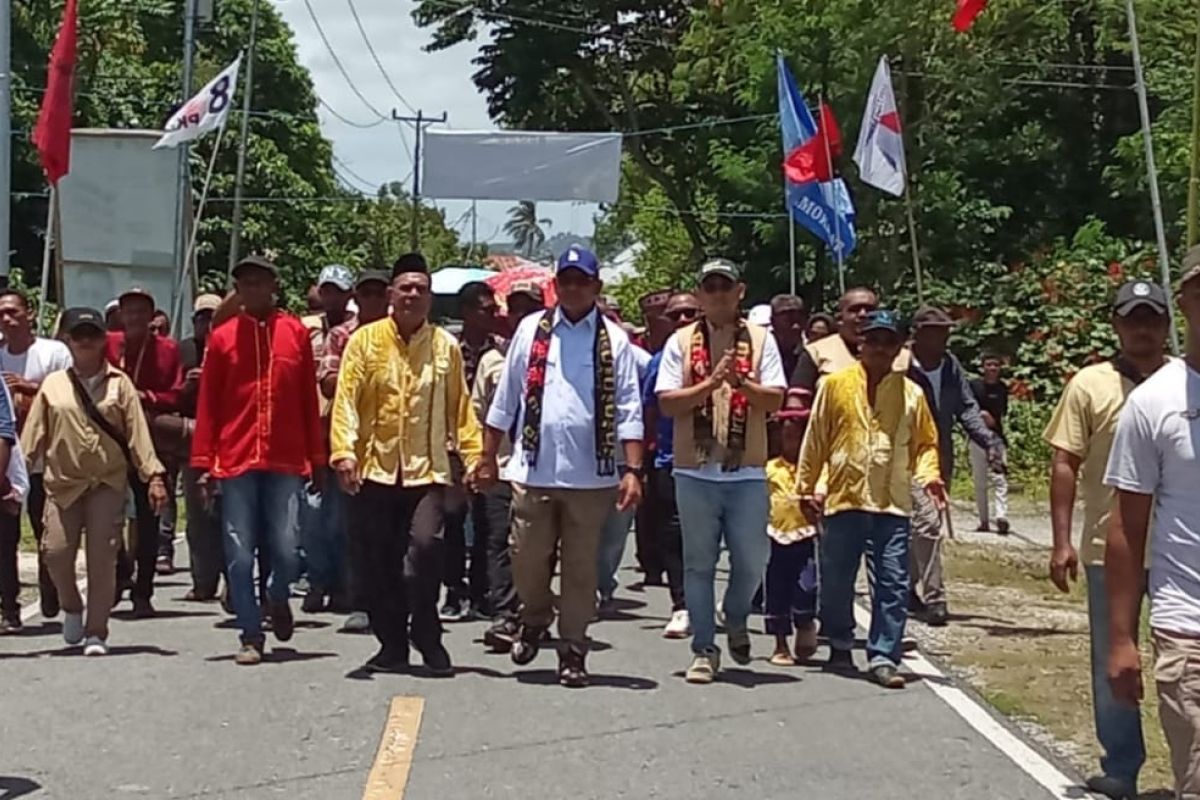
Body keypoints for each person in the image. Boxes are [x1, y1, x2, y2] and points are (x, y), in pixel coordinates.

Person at [478, 245, 644, 688]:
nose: (572, 288)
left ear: (596, 286)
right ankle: (534, 616)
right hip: (533, 469)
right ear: (555, 286)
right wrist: (486, 456)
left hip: (593, 476)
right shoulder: (531, 330)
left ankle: (573, 649)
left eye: (581, 280)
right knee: (526, 559)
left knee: (580, 568)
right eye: (565, 280)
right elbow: (506, 398)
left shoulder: (616, 340)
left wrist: (632, 470)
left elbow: (629, 407)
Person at [1046, 279, 1172, 800]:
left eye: (1152, 318)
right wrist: (1060, 541)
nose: (1142, 328)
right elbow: (1064, 462)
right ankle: (1121, 767)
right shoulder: (1089, 384)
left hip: (1179, 548)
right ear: (1116, 324)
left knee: (1182, 659)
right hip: (1109, 546)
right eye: (1132, 318)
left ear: (1169, 324)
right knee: (1113, 658)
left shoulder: (1186, 382)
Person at [331, 257, 482, 677]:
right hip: (375, 471)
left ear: (430, 299)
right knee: (379, 563)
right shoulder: (364, 342)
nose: (412, 295)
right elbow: (345, 401)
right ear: (391, 296)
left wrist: (473, 458)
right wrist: (343, 452)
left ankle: (428, 633)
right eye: (405, 288)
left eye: (421, 289)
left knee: (425, 550)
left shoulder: (444, 346)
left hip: (426, 471)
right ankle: (392, 644)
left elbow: (461, 409)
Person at [656, 259, 786, 684]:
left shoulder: (763, 341)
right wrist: (711, 384)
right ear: (699, 295)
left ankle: (735, 614)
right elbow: (668, 403)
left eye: (724, 287)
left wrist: (741, 382)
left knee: (753, 559)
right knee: (699, 564)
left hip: (745, 469)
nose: (716, 294)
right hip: (695, 470)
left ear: (739, 292)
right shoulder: (679, 342)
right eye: (709, 287)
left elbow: (776, 401)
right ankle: (704, 650)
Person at [797, 309, 943, 689]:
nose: (879, 348)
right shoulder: (834, 385)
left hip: (892, 501)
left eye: (887, 341)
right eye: (872, 340)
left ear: (899, 348)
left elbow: (926, 443)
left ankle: (883, 655)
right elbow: (817, 437)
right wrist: (806, 486)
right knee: (837, 578)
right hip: (844, 496)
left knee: (893, 582)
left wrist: (930, 476)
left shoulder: (912, 394)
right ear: (860, 343)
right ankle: (841, 642)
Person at [192, 256, 326, 666]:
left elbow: (307, 397)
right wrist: (202, 463)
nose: (253, 289)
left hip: (286, 458)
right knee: (238, 550)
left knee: (287, 546)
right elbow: (209, 403)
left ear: (274, 286)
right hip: (235, 459)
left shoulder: (295, 333)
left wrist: (317, 457)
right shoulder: (223, 338)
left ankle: (278, 594)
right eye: (244, 283)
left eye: (260, 282)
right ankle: (250, 633)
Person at [1104, 262, 1200, 800]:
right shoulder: (1153, 403)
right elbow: (1127, 525)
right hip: (1188, 627)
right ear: (1184, 304)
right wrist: (1121, 639)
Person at [22, 308, 167, 656]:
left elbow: (137, 435)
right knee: (55, 553)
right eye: (78, 334)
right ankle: (72, 605)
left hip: (106, 483)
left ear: (104, 339)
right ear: (67, 340)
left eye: (92, 334)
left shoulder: (120, 384)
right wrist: (15, 478)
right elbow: (32, 439)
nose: (85, 341)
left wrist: (154, 477)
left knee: (103, 556)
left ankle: (96, 631)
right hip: (63, 484)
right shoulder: (53, 386)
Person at [905, 307, 999, 627]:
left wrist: (989, 443)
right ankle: (935, 598)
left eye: (945, 331)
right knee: (927, 525)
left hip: (939, 457)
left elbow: (967, 409)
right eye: (934, 331)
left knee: (921, 529)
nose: (942, 337)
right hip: (905, 459)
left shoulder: (950, 367)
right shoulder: (900, 365)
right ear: (917, 333)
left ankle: (905, 587)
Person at [472, 281, 545, 652]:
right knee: (500, 540)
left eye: (530, 308)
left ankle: (536, 611)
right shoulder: (492, 359)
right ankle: (504, 614)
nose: (522, 316)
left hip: (544, 467)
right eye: (516, 309)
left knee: (538, 544)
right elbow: (478, 413)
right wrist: (480, 460)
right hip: (502, 463)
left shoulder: (557, 353)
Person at [318, 269, 391, 634]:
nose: (373, 300)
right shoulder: (342, 335)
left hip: (395, 443)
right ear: (357, 298)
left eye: (379, 293)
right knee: (353, 526)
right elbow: (329, 382)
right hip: (352, 441)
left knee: (393, 529)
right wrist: (362, 374)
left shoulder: (402, 334)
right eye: (367, 294)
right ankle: (358, 598)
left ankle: (394, 598)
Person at [105, 287, 182, 617]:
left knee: (149, 516)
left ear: (152, 317)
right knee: (107, 515)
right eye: (129, 311)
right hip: (111, 441)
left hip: (150, 440)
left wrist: (143, 396)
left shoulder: (167, 349)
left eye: (141, 311)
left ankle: (143, 591)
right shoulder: (109, 344)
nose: (134, 317)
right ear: (121, 315)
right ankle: (120, 571)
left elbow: (178, 395)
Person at [0, 288, 71, 626]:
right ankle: (9, 607)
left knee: (48, 533)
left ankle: (52, 588)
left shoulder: (53, 353)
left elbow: (74, 395)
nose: (7, 319)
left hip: (47, 459)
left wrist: (32, 388)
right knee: (6, 537)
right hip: (9, 463)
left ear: (29, 313)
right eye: (1, 313)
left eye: (13, 311)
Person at [441, 281, 503, 623]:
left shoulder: (502, 351)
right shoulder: (447, 348)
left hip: (488, 447)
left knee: (486, 522)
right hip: (451, 445)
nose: (492, 316)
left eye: (494, 310)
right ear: (466, 312)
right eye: (485, 309)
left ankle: (481, 592)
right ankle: (453, 590)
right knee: (452, 518)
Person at [642, 291, 699, 640]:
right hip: (670, 460)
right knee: (676, 535)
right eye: (674, 315)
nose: (682, 320)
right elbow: (649, 410)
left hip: (719, 462)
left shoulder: (728, 354)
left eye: (689, 313)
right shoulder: (658, 362)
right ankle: (682, 605)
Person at [299, 265, 355, 615]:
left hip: (342, 433)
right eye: (326, 290)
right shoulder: (306, 332)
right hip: (308, 432)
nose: (331, 296)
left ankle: (339, 582)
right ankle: (316, 578)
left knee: (338, 515)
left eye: (338, 290)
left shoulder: (355, 331)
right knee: (310, 513)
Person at [764, 388, 818, 666]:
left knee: (807, 585)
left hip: (806, 535)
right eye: (787, 437)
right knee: (777, 589)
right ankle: (780, 643)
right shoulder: (770, 468)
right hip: (775, 536)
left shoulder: (815, 469)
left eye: (798, 437)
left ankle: (806, 623)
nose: (792, 442)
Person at [176, 294, 223, 601]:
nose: (206, 324)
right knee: (198, 513)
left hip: (229, 437)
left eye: (212, 318)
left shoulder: (232, 347)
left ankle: (236, 582)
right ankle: (203, 580)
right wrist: (190, 385)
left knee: (230, 514)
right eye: (201, 318)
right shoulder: (184, 350)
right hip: (194, 437)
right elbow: (172, 396)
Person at [633, 289, 674, 585]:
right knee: (650, 510)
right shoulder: (641, 349)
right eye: (655, 314)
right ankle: (651, 562)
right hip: (650, 441)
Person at [792, 287, 907, 391]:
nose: (863, 314)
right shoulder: (815, 352)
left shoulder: (903, 357)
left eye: (870, 309)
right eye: (855, 310)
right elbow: (797, 405)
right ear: (839, 318)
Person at [970, 353, 1010, 534]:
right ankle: (984, 521)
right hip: (977, 437)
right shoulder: (974, 386)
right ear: (983, 367)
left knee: (999, 477)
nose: (992, 368)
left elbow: (1002, 413)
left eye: (996, 365)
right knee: (980, 481)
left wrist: (991, 419)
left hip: (996, 438)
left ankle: (1001, 516)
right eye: (989, 365)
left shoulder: (1002, 388)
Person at [770, 294, 808, 381]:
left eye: (799, 320)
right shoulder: (762, 350)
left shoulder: (811, 352)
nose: (796, 327)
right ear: (773, 322)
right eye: (788, 320)